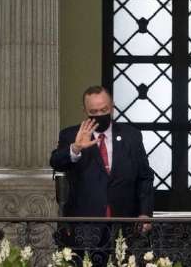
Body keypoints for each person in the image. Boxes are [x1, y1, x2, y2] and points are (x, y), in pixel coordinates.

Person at [50, 86, 154, 258]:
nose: (99, 114)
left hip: (125, 223)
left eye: (104, 110)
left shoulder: (131, 136)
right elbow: (56, 162)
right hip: (85, 225)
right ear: (85, 111)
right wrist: (75, 148)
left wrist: (145, 212)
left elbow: (145, 176)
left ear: (112, 107)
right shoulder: (71, 135)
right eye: (93, 111)